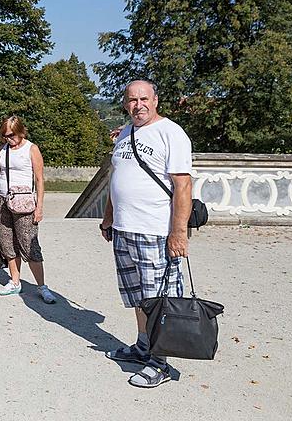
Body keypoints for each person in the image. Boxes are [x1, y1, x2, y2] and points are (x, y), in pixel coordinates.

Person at [100, 80, 191, 388]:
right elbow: (116, 177)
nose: (138, 104)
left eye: (143, 99)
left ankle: (161, 361)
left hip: (155, 231)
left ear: (155, 100)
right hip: (124, 229)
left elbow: (183, 186)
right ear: (126, 104)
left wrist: (178, 233)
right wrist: (109, 217)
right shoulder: (126, 133)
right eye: (132, 100)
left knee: (158, 300)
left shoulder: (171, 133)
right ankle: (143, 346)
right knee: (138, 297)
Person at [0, 116, 56, 304]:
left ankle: (42, 286)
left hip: (24, 201)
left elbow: (39, 179)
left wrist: (39, 207)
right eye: (3, 135)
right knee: (6, 242)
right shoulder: (2, 150)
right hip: (1, 198)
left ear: (20, 132)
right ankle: (14, 280)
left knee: (29, 243)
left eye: (10, 135)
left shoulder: (31, 149)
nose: (6, 139)